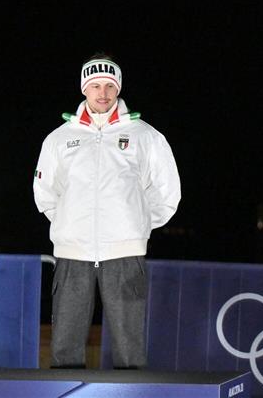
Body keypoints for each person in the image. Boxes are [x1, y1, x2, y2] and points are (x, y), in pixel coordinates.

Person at [33, 55, 181, 369]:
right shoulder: (59, 138)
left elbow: (168, 194)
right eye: (96, 85)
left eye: (110, 86)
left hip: (125, 253)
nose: (103, 93)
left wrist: (135, 225)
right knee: (65, 349)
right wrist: (68, 223)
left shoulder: (145, 136)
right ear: (84, 89)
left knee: (130, 351)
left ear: (118, 89)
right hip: (73, 252)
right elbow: (45, 194)